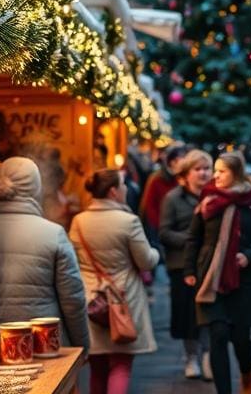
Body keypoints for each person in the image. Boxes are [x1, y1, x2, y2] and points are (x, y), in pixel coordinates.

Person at [183, 152, 251, 394]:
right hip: (211, 277)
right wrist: (189, 269)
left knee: (241, 339)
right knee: (218, 334)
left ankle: (246, 370)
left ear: (236, 173)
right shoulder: (208, 198)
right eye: (215, 170)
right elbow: (194, 236)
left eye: (221, 171)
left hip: (242, 279)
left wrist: (250, 255)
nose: (215, 175)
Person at [70, 169, 160, 394]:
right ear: (113, 191)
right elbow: (146, 261)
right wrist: (156, 253)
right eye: (123, 184)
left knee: (97, 366)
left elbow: (73, 259)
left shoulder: (79, 221)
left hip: (91, 301)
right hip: (122, 300)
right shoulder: (128, 221)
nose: (127, 188)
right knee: (121, 364)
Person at [0, 158, 89, 348]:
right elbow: (73, 300)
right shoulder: (53, 233)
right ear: (35, 189)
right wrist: (82, 345)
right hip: (42, 344)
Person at [159, 150, 214, 381]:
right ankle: (191, 355)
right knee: (187, 314)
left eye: (206, 169)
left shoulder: (215, 196)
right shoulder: (173, 198)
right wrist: (192, 239)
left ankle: (209, 356)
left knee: (210, 313)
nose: (203, 173)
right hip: (181, 264)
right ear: (186, 173)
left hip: (210, 264)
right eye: (198, 169)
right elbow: (164, 232)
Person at [139, 144, 188, 242]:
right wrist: (160, 226)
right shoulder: (156, 178)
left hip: (176, 228)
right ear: (173, 162)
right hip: (158, 229)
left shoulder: (181, 178)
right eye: (183, 160)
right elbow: (149, 207)